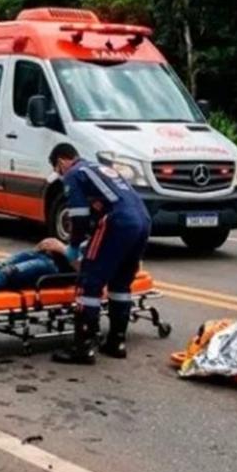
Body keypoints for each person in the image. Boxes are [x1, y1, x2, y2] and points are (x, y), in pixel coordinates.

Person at [49, 143, 151, 364]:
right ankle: (117, 341)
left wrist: (74, 246)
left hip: (118, 221)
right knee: (121, 282)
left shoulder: (74, 174)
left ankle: (83, 346)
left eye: (58, 170)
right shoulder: (98, 168)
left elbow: (79, 216)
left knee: (89, 281)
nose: (60, 175)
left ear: (61, 162)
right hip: (143, 220)